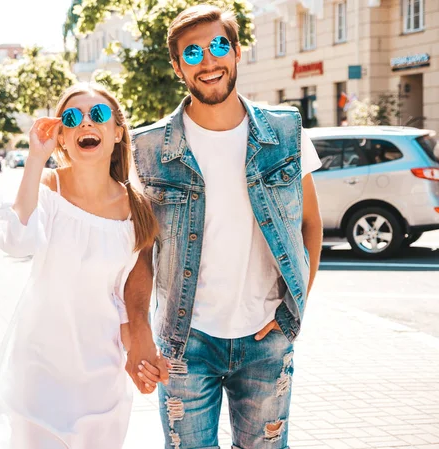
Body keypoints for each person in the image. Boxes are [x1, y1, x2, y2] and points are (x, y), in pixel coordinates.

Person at [124, 5, 324, 449]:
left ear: (236, 52)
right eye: (192, 53)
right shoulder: (150, 148)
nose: (208, 62)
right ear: (178, 67)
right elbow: (141, 251)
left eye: (218, 46)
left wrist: (293, 308)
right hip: (185, 342)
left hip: (265, 337)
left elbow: (311, 224)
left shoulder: (285, 131)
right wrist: (138, 330)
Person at [0, 83, 167, 449]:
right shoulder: (45, 189)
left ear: (117, 132)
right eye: (72, 118)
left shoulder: (137, 209)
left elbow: (120, 296)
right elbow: (16, 242)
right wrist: (36, 157)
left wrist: (141, 357)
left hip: (101, 378)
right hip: (38, 374)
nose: (86, 122)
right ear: (63, 137)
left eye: (98, 115)